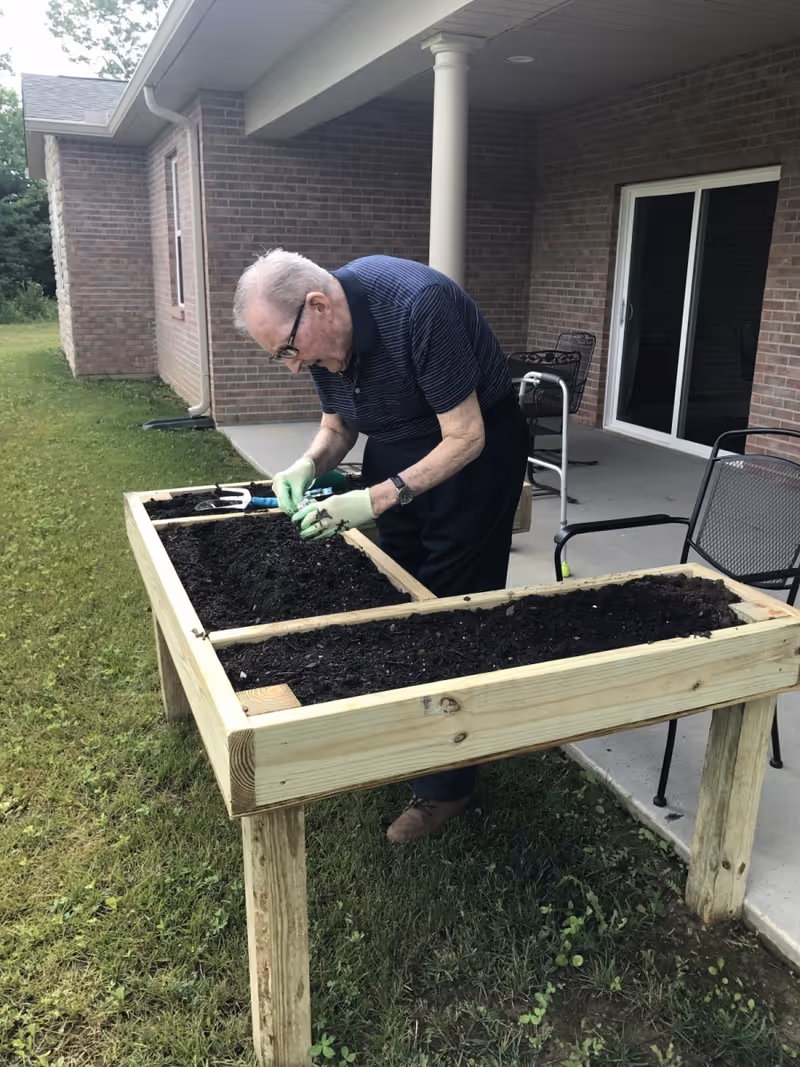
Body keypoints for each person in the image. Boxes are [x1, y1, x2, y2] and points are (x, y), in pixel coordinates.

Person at [233, 249, 529, 842]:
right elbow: (339, 425)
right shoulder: (322, 333)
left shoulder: (420, 307)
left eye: (289, 351)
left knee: (449, 611)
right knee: (396, 589)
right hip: (402, 445)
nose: (293, 367)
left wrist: (371, 501)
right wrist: (308, 465)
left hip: (475, 454)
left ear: (318, 305)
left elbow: (466, 436)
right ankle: (408, 735)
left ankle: (447, 788)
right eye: (280, 358)